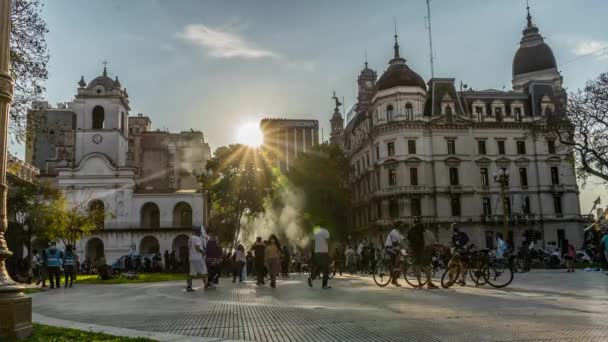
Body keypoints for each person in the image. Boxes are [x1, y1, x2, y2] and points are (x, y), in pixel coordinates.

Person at [187, 228, 208, 292]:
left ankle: (189, 287)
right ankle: (206, 285)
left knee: (191, 273)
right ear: (199, 233)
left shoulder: (190, 239)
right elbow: (197, 247)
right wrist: (203, 252)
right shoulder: (197, 238)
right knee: (204, 271)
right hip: (198, 258)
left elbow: (190, 248)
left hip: (191, 258)